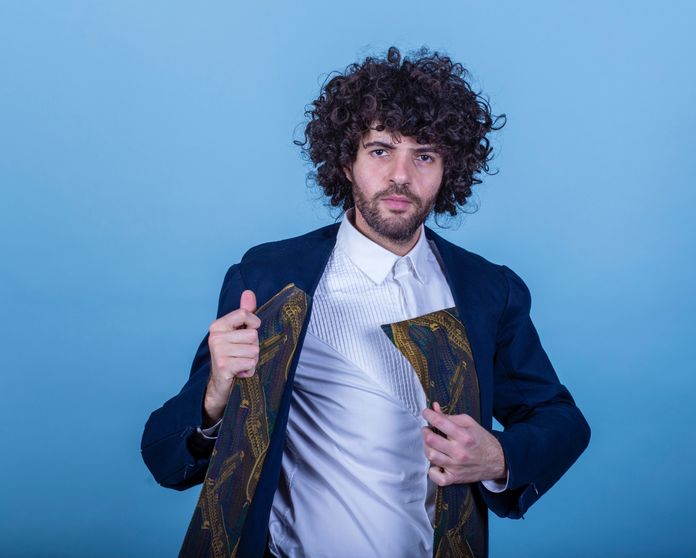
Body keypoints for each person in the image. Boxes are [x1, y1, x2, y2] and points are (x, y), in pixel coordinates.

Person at [141, 46, 591, 558]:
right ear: (346, 162)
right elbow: (166, 459)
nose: (401, 175)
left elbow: (561, 419)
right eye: (380, 150)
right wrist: (216, 392)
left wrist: (499, 456)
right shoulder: (271, 280)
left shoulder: (488, 290)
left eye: (424, 155)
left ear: (449, 169)